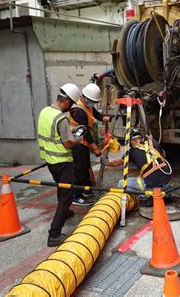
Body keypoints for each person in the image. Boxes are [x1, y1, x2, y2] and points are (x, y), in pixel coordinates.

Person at [37, 83, 82, 247]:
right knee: (66, 195)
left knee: (62, 189)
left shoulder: (44, 112)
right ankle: (54, 234)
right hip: (62, 161)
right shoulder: (61, 118)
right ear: (68, 101)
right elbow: (68, 143)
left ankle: (66, 212)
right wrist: (77, 140)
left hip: (50, 161)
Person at [68, 83, 112, 206]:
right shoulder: (78, 110)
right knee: (79, 169)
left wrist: (105, 118)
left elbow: (95, 113)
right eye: (92, 101)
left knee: (85, 166)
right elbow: (86, 132)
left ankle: (86, 190)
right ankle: (77, 195)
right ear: (85, 98)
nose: (93, 104)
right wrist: (95, 148)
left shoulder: (87, 105)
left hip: (83, 142)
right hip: (77, 143)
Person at [105, 130, 172, 192]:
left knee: (121, 184)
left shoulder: (131, 152)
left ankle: (143, 196)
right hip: (167, 183)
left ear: (130, 141)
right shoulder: (152, 143)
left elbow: (116, 163)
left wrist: (105, 162)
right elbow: (163, 154)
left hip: (154, 187)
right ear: (142, 138)